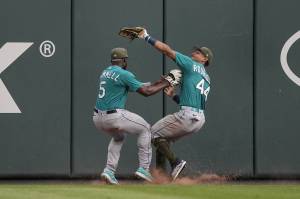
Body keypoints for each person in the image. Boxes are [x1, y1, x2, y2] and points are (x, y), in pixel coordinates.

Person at [93, 47, 181, 184]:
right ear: (124, 60)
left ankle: (109, 171)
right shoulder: (124, 74)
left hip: (98, 118)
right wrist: (167, 82)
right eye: (125, 60)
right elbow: (146, 92)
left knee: (119, 137)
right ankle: (144, 169)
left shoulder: (105, 72)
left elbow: (140, 86)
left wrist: (159, 82)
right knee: (145, 129)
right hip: (114, 116)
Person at [138, 29, 213, 180]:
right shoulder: (207, 77)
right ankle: (160, 177)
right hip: (199, 120)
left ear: (205, 59)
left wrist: (146, 37)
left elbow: (167, 50)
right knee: (161, 140)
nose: (195, 53)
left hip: (187, 116)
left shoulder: (191, 64)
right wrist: (173, 96)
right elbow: (192, 100)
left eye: (199, 52)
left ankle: (176, 163)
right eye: (195, 51)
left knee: (152, 133)